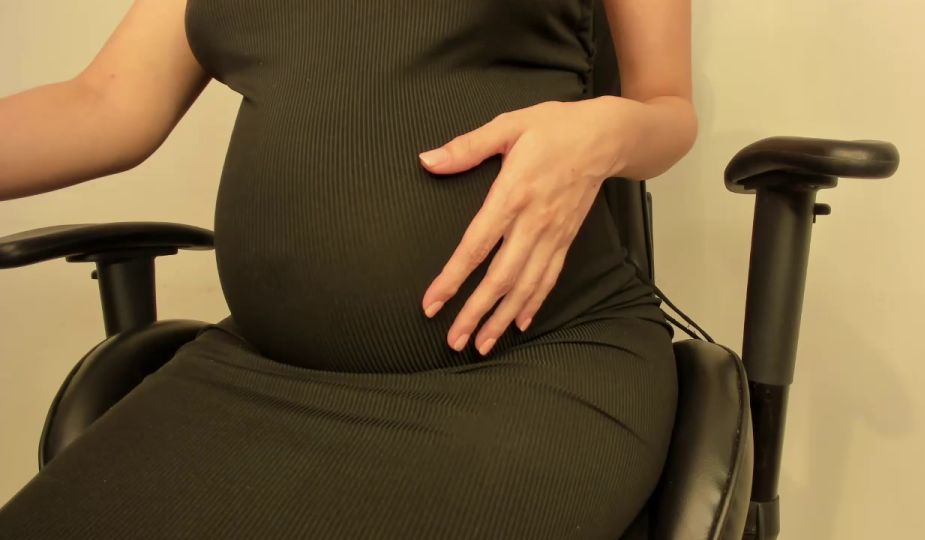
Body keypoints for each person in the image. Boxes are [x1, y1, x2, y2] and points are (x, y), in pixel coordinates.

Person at [0, 0, 695, 537]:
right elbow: (107, 102)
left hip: (528, 373)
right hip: (258, 377)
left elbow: (668, 106)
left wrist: (600, 131)